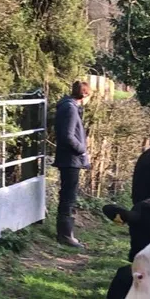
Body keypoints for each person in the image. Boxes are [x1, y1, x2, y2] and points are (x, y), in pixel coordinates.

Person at [53, 80, 92, 247]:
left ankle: (66, 233)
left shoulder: (70, 107)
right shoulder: (70, 108)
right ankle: (65, 235)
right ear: (84, 95)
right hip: (70, 159)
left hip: (70, 158)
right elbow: (67, 136)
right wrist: (81, 149)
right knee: (69, 195)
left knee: (69, 194)